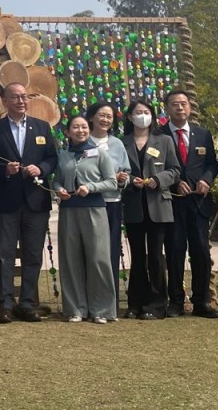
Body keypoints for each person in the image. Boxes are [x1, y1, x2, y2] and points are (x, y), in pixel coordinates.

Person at [0, 83, 58, 323]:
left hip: (36, 202)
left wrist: (42, 169)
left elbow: (53, 158)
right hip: (5, 203)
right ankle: (6, 304)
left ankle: (27, 304)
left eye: (24, 97)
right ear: (5, 101)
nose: (21, 101)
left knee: (33, 255)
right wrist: (4, 170)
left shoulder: (42, 127)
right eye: (15, 97)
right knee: (4, 255)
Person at [160, 90, 218, 319]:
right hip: (172, 203)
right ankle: (175, 301)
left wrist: (206, 179)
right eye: (174, 104)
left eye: (183, 104)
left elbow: (212, 164)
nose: (180, 108)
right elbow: (156, 167)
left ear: (190, 107)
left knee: (201, 252)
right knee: (175, 251)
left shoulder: (202, 134)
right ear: (167, 108)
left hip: (199, 202)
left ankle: (201, 301)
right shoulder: (159, 135)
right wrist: (174, 183)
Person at [119, 99, 180, 320]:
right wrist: (129, 180)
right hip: (134, 206)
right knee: (137, 257)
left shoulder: (163, 141)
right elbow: (116, 171)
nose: (142, 116)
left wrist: (157, 179)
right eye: (137, 112)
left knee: (155, 256)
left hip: (158, 205)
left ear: (153, 117)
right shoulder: (121, 142)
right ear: (129, 117)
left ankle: (156, 304)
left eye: (146, 112)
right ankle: (135, 302)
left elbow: (174, 170)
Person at [54, 115, 117, 324]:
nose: (80, 130)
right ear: (68, 131)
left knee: (98, 259)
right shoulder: (63, 155)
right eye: (75, 127)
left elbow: (111, 182)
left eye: (83, 127)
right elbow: (56, 181)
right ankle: (75, 309)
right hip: (69, 211)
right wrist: (59, 190)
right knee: (71, 260)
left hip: (94, 210)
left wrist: (90, 187)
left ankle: (102, 309)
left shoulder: (99, 153)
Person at [85, 101, 131, 315]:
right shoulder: (81, 140)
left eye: (109, 117)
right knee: (88, 251)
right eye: (101, 115)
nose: (104, 120)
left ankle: (109, 302)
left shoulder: (117, 144)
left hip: (111, 203)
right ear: (91, 117)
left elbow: (126, 173)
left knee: (109, 251)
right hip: (85, 204)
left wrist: (122, 179)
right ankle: (86, 299)